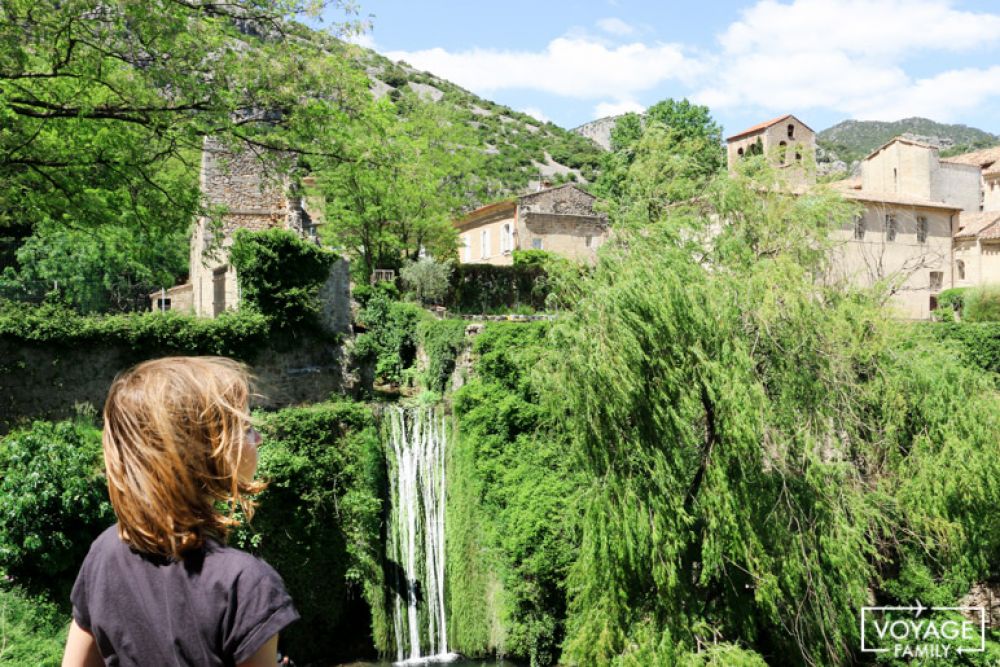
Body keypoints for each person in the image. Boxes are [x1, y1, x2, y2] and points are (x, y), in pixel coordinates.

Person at [62, 357, 299, 667]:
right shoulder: (245, 586)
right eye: (247, 427)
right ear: (205, 448)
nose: (259, 438)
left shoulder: (104, 552)